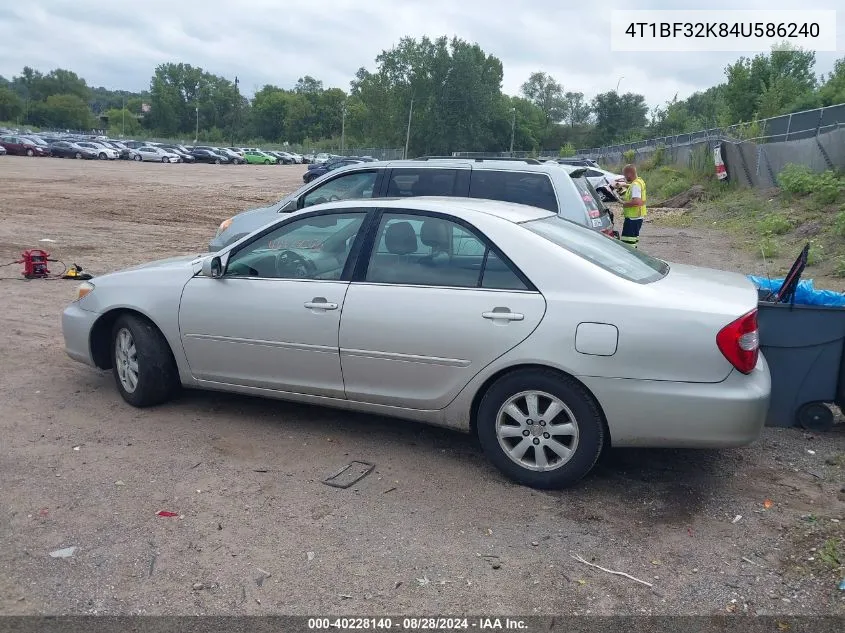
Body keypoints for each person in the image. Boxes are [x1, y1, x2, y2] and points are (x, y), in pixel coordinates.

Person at [617, 164, 647, 248]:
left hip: (632, 218)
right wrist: (623, 185)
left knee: (628, 244)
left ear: (629, 174)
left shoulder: (635, 185)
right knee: (633, 241)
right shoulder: (639, 181)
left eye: (625, 175)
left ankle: (629, 259)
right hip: (637, 217)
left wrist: (622, 203)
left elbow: (636, 201)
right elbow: (632, 186)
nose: (625, 177)